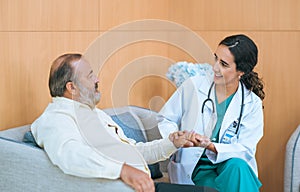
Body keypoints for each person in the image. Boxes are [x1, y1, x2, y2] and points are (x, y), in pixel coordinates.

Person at [31, 53, 211, 192]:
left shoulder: (95, 115)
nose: (97, 80)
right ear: (72, 87)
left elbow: (136, 151)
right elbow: (71, 155)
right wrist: (122, 170)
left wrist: (171, 143)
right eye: (90, 76)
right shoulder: (55, 118)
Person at [158, 34, 265, 192]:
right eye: (216, 59)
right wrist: (175, 135)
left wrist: (211, 146)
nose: (215, 67)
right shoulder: (193, 86)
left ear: (241, 71)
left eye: (223, 64)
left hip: (228, 164)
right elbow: (165, 118)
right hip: (195, 165)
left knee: (237, 166)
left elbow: (245, 149)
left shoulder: (251, 103)